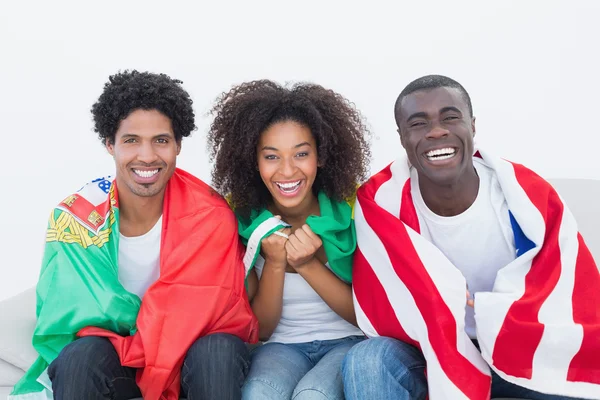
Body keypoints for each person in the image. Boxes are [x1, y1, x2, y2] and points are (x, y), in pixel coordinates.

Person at [342, 75, 600, 400]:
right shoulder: (381, 204)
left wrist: (490, 309)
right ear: (403, 138)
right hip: (430, 352)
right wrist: (441, 293)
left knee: (581, 369)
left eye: (450, 117)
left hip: (521, 345)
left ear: (473, 126)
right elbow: (381, 303)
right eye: (418, 123)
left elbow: (569, 290)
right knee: (367, 360)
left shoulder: (526, 198)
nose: (437, 131)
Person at [10, 70, 258, 400]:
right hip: (115, 354)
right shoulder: (75, 219)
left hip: (192, 351)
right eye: (131, 140)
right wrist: (141, 335)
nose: (147, 156)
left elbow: (211, 312)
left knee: (217, 352)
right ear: (109, 144)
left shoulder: (211, 216)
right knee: (80, 359)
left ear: (178, 145)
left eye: (161, 140)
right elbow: (69, 312)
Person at [207, 80, 371, 400]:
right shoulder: (239, 221)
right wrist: (276, 263)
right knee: (258, 393)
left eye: (301, 154)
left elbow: (366, 315)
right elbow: (262, 330)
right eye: (271, 157)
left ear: (320, 156)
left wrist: (307, 264)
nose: (287, 171)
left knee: (313, 395)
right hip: (280, 346)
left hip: (349, 340)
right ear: (253, 162)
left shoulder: (354, 210)